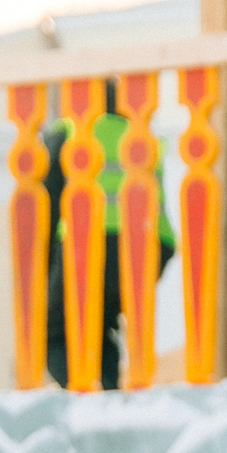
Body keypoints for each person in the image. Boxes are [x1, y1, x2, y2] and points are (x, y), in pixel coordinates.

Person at [42, 117, 177, 389]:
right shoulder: (142, 131)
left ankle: (89, 395)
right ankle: (107, 394)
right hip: (144, 247)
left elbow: (49, 204)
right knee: (104, 327)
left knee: (54, 334)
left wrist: (47, 269)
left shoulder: (69, 131)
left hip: (85, 246)